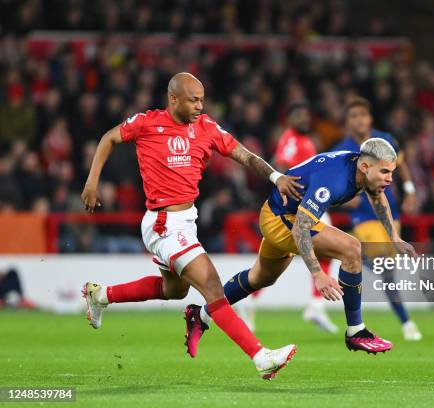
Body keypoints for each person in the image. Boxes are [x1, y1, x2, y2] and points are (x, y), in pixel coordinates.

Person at [80, 72, 302, 380]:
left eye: (202, 99)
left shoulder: (207, 128)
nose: (200, 105)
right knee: (212, 285)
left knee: (174, 290)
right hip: (163, 224)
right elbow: (109, 138)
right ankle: (261, 356)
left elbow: (244, 155)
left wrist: (276, 178)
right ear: (174, 99)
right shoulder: (147, 123)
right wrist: (92, 182)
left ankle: (101, 295)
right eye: (193, 100)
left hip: (186, 221)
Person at [185, 137, 418, 357]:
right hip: (283, 218)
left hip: (283, 213)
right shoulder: (334, 180)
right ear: (366, 167)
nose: (389, 179)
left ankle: (202, 314)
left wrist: (394, 237)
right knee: (351, 248)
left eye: (391, 172)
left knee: (259, 278)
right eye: (385, 172)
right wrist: (318, 274)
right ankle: (356, 330)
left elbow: (377, 196)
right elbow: (300, 229)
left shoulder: (360, 169)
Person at [238, 102, 338, 334]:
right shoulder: (293, 140)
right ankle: (311, 304)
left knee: (324, 251)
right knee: (286, 260)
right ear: (290, 120)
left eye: (306, 116)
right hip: (301, 209)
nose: (304, 120)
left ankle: (314, 304)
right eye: (299, 116)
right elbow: (281, 163)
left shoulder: (300, 139)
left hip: (310, 206)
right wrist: (285, 192)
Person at [333, 97, 422, 341]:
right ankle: (406, 322)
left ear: (370, 118)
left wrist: (410, 190)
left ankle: (350, 258)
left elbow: (401, 165)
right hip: (363, 217)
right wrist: (342, 199)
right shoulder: (342, 149)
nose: (359, 119)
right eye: (353, 116)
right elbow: (334, 183)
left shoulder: (385, 140)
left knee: (386, 270)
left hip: (389, 214)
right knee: (386, 267)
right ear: (348, 123)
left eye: (362, 114)